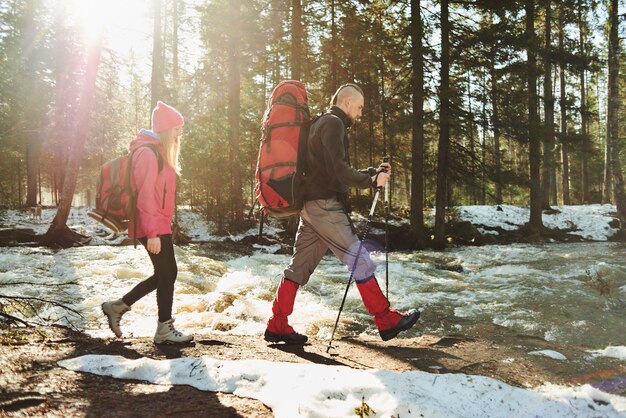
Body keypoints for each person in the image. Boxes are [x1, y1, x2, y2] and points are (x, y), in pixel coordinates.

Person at [264, 83, 420, 344]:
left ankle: (277, 324)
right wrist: (371, 181)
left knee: (298, 268)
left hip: (310, 208)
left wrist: (371, 173)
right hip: (325, 207)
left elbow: (329, 170)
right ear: (347, 102)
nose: (359, 114)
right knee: (360, 260)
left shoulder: (318, 124)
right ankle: (386, 319)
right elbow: (339, 170)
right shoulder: (334, 124)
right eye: (359, 108)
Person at [101, 101, 193, 345]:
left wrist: (162, 225)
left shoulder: (158, 152)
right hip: (149, 225)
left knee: (166, 273)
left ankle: (118, 306)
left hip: (157, 224)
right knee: (167, 273)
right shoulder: (148, 153)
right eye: (176, 128)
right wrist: (153, 232)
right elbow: (145, 196)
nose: (179, 133)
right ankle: (163, 329)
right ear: (164, 129)